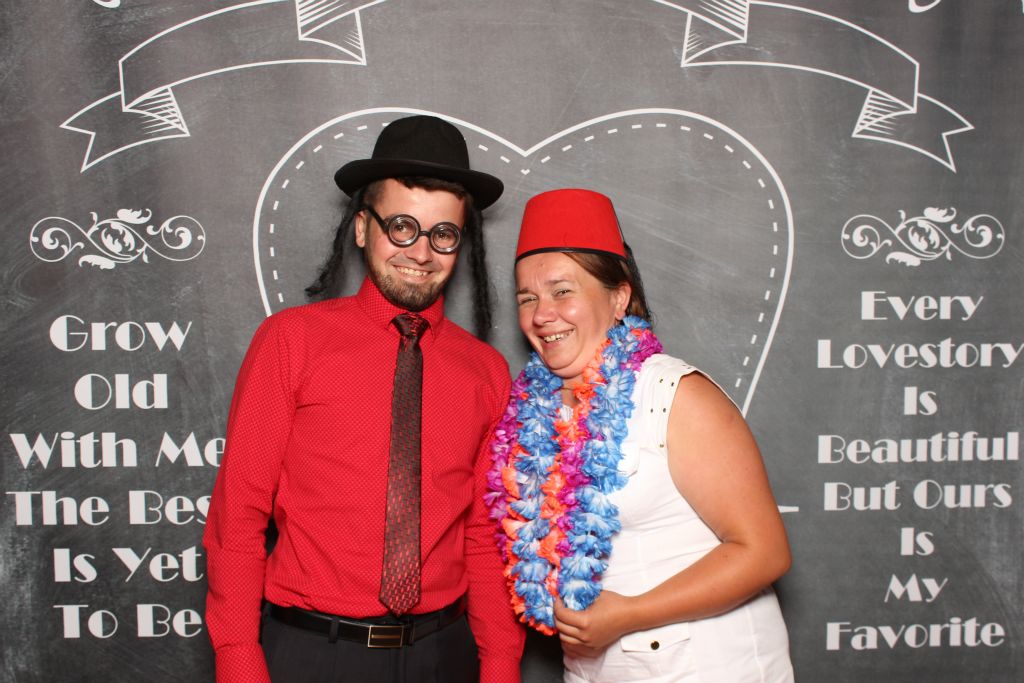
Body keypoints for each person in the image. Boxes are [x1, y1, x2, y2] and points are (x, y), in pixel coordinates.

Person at [204, 115, 525, 683]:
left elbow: (482, 535)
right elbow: (239, 515)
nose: (420, 252)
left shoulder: (487, 371)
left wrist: (500, 664)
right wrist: (237, 659)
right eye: (401, 227)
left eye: (442, 234)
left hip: (444, 655)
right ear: (361, 228)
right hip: (313, 653)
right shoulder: (291, 341)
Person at [485, 188, 794, 682]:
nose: (542, 315)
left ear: (618, 297)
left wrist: (629, 614)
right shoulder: (528, 415)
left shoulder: (675, 394)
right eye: (528, 298)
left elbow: (763, 552)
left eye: (563, 291)